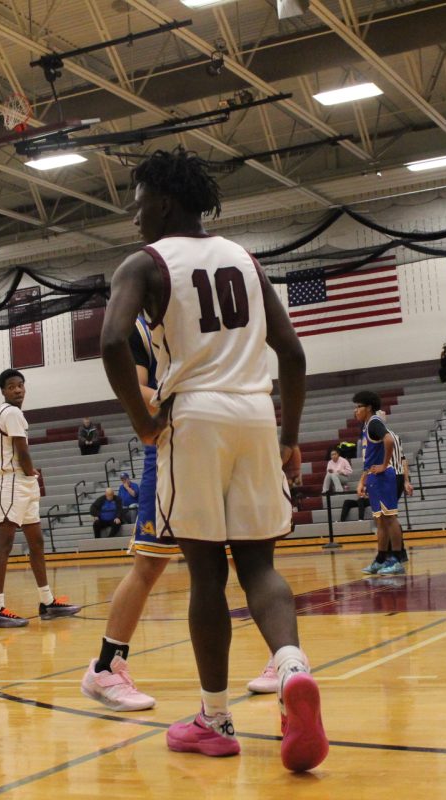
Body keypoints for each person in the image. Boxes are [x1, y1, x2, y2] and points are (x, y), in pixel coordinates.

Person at [99, 146, 326, 771]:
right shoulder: (245, 259)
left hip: (193, 414)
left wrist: (144, 422)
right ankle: (292, 667)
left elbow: (113, 340)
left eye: (140, 202)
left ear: (165, 201)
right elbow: (294, 354)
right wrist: (291, 435)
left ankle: (215, 717)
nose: (135, 215)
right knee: (260, 564)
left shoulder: (144, 264)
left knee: (206, 573)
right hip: (256, 411)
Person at [82, 315, 276, 713]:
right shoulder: (137, 325)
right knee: (150, 563)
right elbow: (135, 386)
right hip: (172, 445)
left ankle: (284, 656)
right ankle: (105, 667)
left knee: (249, 554)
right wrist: (189, 404)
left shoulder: (203, 311)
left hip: (221, 438)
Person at [0, 368, 81, 629]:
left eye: (21, 385)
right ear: (3, 391)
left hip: (22, 482)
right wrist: (30, 471)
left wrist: (25, 472)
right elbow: (22, 450)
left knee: (36, 541)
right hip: (12, 481)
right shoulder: (12, 412)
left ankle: (47, 602)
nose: (18, 390)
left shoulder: (7, 415)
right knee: (5, 544)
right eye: (12, 386)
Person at [354, 392, 408, 576]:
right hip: (374, 477)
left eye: (359, 406)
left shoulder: (374, 422)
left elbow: (389, 439)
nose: (356, 410)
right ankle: (380, 559)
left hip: (384, 476)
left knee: (390, 518)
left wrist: (385, 464)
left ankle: (397, 560)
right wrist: (363, 480)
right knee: (380, 520)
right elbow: (368, 459)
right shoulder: (367, 426)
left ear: (368, 407)